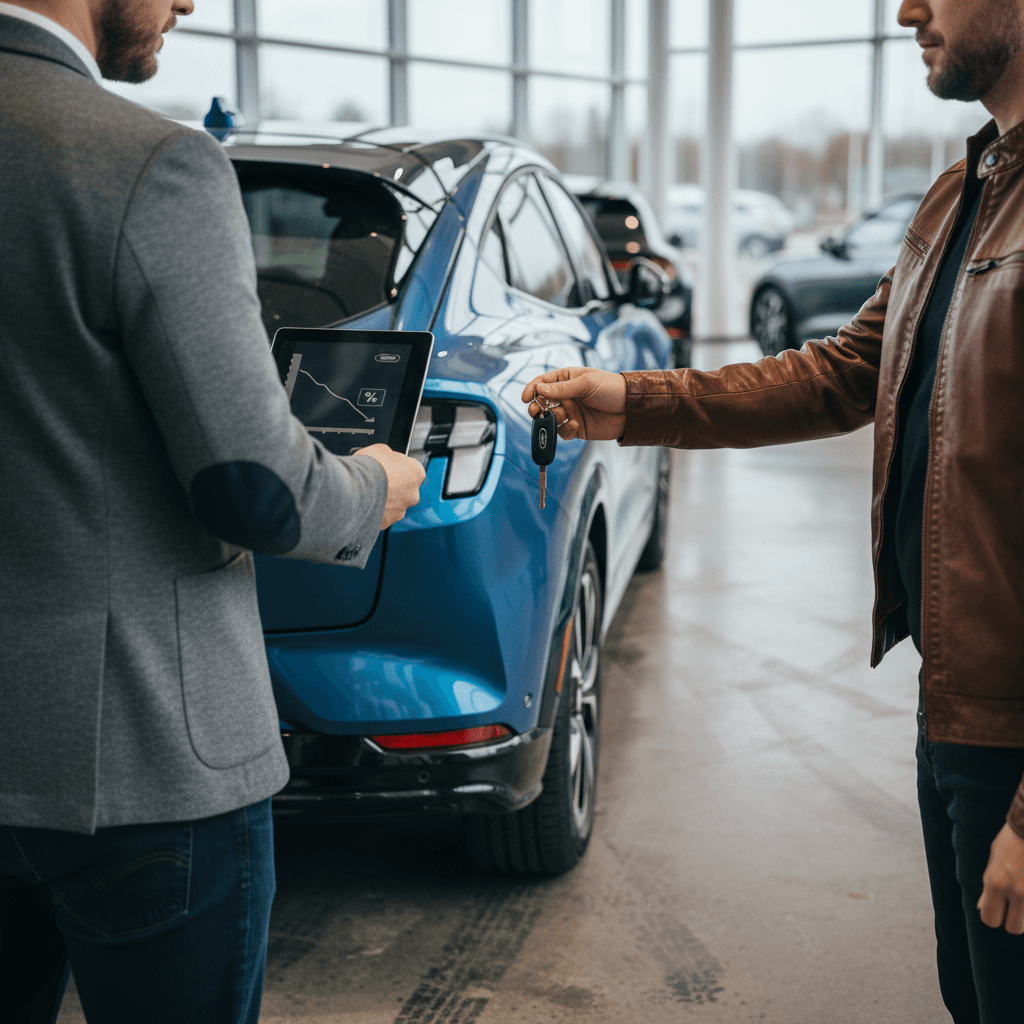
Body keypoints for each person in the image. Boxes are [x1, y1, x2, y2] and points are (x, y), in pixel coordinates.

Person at [523, 0, 1024, 1020]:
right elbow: (844, 372)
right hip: (958, 710)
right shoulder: (957, 195)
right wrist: (632, 403)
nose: (905, 12)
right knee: (972, 997)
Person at [0, 2, 425, 1022]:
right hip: (138, 761)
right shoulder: (147, 163)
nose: (188, 1)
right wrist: (374, 484)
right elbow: (258, 487)